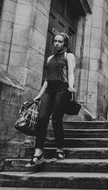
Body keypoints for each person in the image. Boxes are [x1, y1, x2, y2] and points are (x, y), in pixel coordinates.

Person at [26, 32, 76, 168]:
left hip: (62, 89)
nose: (57, 43)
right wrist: (39, 95)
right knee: (42, 118)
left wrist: (71, 86)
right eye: (55, 41)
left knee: (55, 119)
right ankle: (38, 152)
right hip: (49, 89)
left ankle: (60, 149)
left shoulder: (68, 56)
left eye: (60, 41)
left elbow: (71, 73)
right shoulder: (50, 58)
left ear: (65, 43)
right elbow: (47, 79)